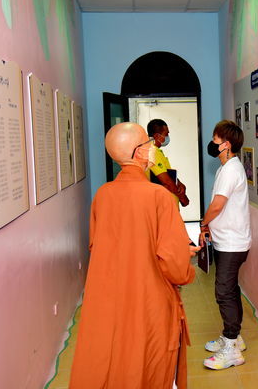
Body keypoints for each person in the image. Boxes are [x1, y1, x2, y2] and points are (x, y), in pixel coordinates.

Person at [69, 122, 199, 389]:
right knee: (151, 363)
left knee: (116, 360)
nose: (154, 147)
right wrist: (185, 259)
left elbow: (100, 246)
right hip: (149, 299)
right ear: (140, 153)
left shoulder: (103, 195)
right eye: (149, 143)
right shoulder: (159, 197)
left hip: (111, 299)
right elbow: (174, 266)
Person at [199, 120, 251, 370]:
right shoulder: (226, 167)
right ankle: (234, 337)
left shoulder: (230, 170)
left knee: (223, 292)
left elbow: (217, 205)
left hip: (232, 242)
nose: (212, 143)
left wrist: (202, 223)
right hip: (227, 240)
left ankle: (231, 349)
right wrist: (210, 226)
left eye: (215, 139)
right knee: (230, 289)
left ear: (226, 144)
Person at [146, 118, 190, 207]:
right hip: (165, 207)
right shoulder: (153, 152)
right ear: (157, 136)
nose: (167, 137)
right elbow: (167, 182)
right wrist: (183, 198)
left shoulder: (156, 151)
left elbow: (166, 175)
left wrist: (178, 182)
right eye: (166, 134)